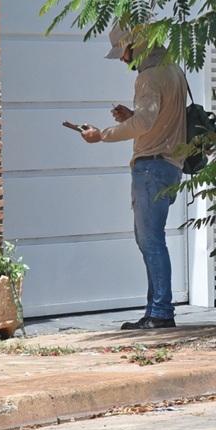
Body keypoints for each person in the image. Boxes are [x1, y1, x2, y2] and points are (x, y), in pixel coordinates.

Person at [80, 25, 188, 330]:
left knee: (151, 241)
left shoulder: (148, 76)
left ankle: (161, 313)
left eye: (122, 51)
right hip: (171, 166)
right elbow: (159, 118)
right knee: (152, 240)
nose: (122, 59)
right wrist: (132, 115)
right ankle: (154, 309)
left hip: (152, 167)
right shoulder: (174, 69)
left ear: (135, 45)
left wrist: (101, 135)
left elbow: (144, 123)